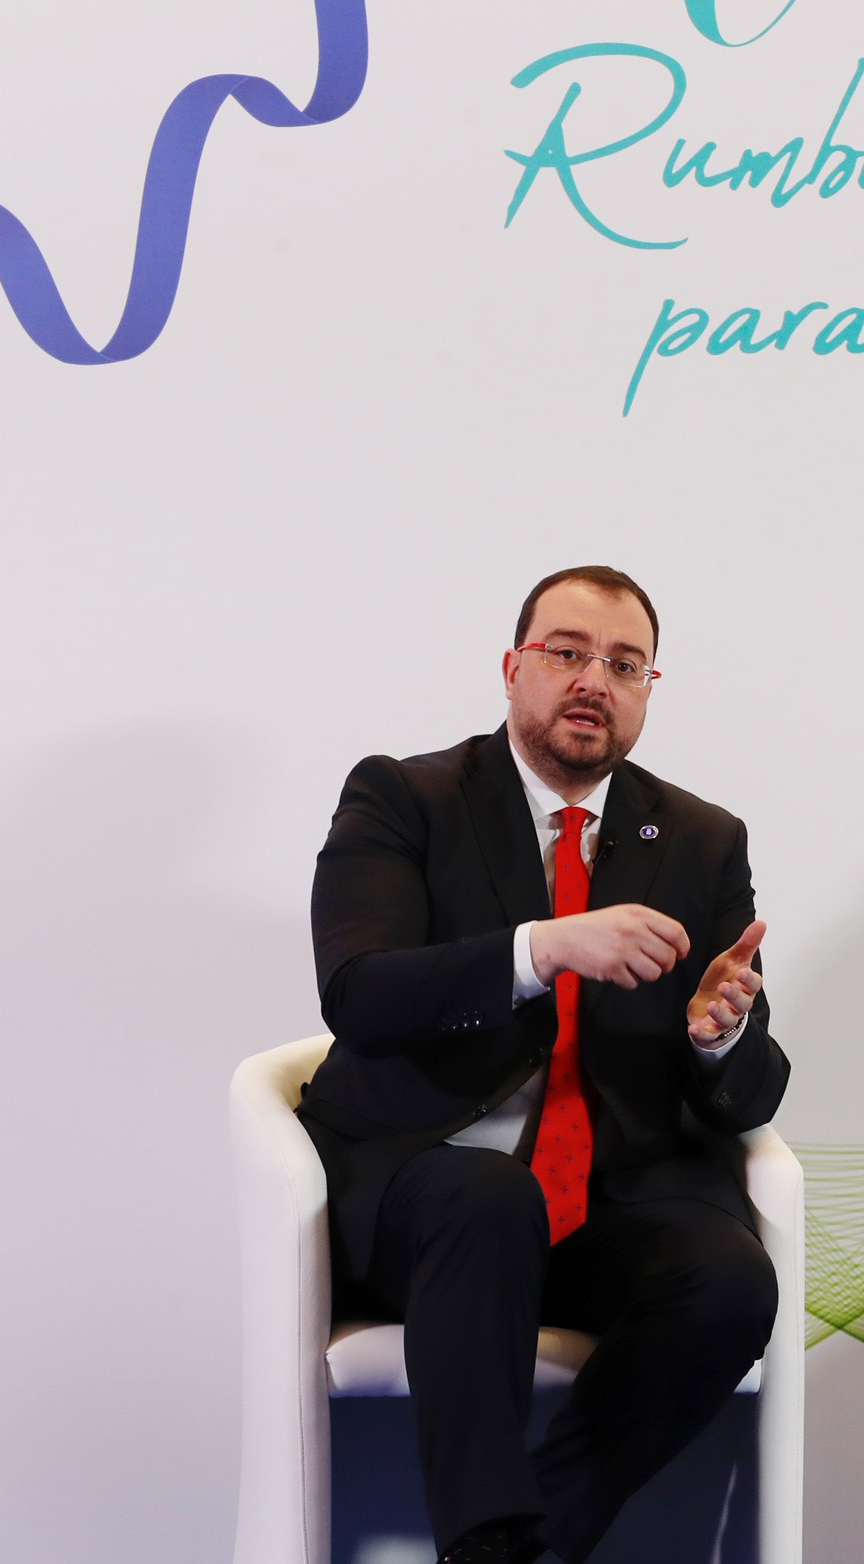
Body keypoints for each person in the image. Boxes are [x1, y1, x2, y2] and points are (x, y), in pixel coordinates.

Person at [295, 566, 789, 1564]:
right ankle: (486, 1535)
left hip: (608, 1205)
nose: (594, 680)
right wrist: (543, 949)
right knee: (487, 1194)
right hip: (429, 1198)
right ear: (513, 667)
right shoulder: (405, 796)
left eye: (625, 664)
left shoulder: (702, 839)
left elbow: (751, 1094)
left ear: (648, 690)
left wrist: (716, 1036)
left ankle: (528, 1548)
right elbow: (360, 992)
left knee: (729, 1282)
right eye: (567, 652)